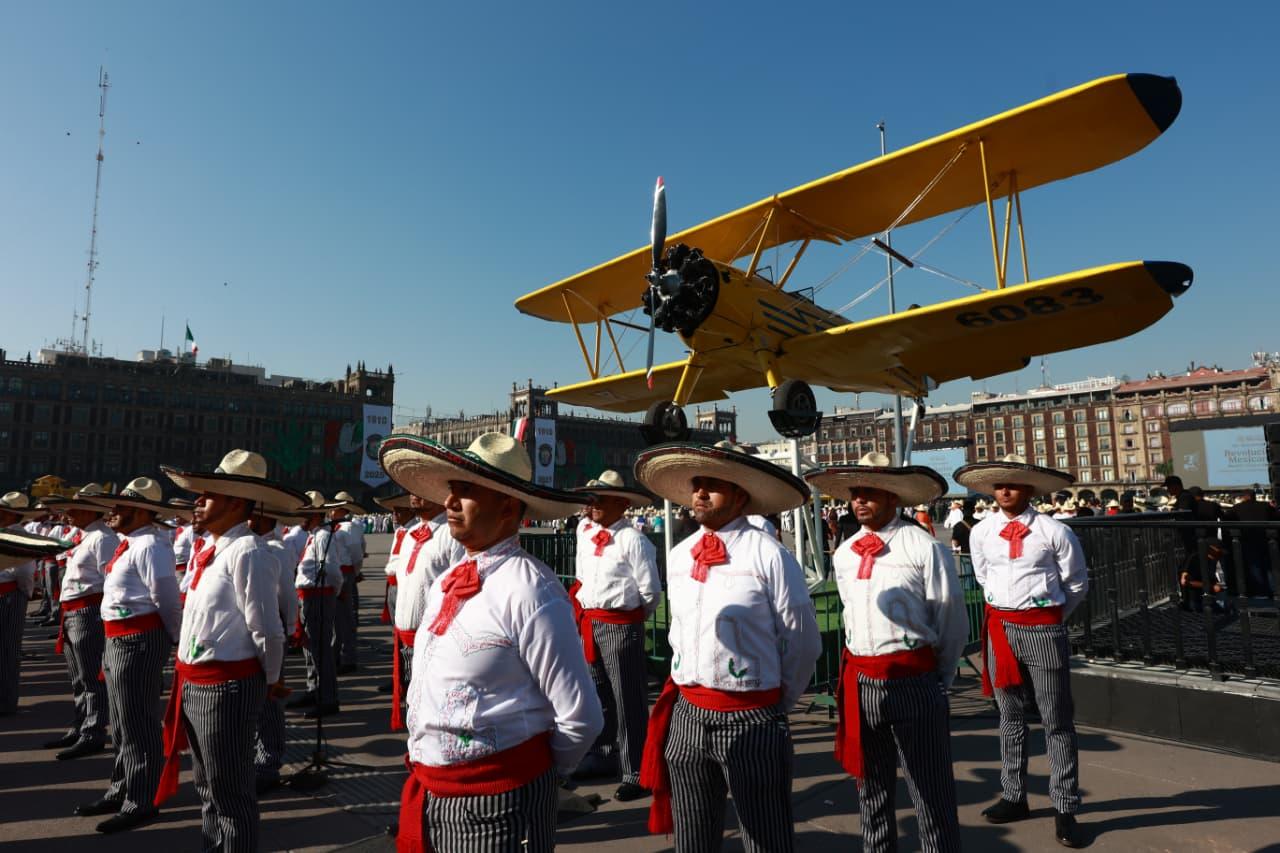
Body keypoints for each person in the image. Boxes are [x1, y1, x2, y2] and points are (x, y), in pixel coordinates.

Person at [380, 432, 603, 852]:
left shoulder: (531, 588)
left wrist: (532, 776)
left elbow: (582, 716)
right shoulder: (447, 581)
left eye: (466, 491)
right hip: (433, 793)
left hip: (499, 802)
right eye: (452, 490)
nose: (450, 502)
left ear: (507, 506)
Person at [634, 440, 821, 852]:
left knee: (765, 834)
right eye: (697, 484)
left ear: (740, 495)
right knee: (692, 837)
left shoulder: (770, 555)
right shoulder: (681, 554)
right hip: (686, 713)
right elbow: (677, 632)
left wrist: (774, 702)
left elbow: (802, 641)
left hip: (752, 716)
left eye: (713, 485)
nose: (700, 493)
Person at [805, 453, 966, 852]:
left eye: (870, 492)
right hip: (861, 679)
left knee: (929, 785)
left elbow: (950, 618)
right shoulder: (844, 553)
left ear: (893, 497)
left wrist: (938, 675)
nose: (859, 501)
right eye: (856, 493)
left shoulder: (923, 547)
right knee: (870, 782)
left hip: (913, 677)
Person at [153, 451, 300, 852]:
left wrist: (270, 679)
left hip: (226, 689)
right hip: (196, 682)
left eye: (209, 495)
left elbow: (267, 629)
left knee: (230, 791)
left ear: (237, 502)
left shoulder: (249, 551)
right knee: (207, 785)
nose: (198, 502)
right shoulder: (213, 548)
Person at [954, 455, 1087, 849]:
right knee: (1008, 715)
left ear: (1029, 490)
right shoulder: (981, 532)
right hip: (1001, 628)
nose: (1005, 490)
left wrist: (1049, 616)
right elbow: (982, 574)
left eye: (1012, 485)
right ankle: (1014, 795)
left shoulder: (1054, 531)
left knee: (1056, 719)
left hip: (1042, 627)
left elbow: (1076, 582)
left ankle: (1065, 805)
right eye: (998, 485)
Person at [76, 478, 182, 834]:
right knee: (121, 724)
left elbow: (167, 599)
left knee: (137, 723)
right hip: (118, 638)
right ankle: (121, 788)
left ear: (140, 511)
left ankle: (141, 800)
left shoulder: (152, 545)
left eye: (120, 508)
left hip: (137, 640)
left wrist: (176, 642)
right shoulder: (131, 542)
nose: (113, 513)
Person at [569, 470, 661, 801]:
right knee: (598, 694)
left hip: (620, 623)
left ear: (621, 504)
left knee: (628, 700)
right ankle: (605, 754)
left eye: (601, 500)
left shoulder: (633, 540)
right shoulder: (584, 530)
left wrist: (629, 618)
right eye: (591, 499)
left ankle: (636, 769)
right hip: (591, 621)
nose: (593, 506)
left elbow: (651, 592)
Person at [41, 485, 118, 759]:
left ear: (91, 509)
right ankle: (80, 724)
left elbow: (110, 581)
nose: (68, 514)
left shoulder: (103, 538)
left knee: (91, 676)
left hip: (88, 611)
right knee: (78, 677)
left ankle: (93, 731)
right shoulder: (85, 535)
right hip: (73, 611)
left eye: (75, 508)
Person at [388, 492, 463, 731]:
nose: (413, 494)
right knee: (413, 702)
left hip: (432, 641)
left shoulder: (451, 535)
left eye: (421, 490)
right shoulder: (409, 535)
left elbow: (458, 593)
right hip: (404, 637)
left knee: (429, 706)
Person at [247, 498, 306, 795]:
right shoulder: (243, 546)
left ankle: (269, 762)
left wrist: (292, 627)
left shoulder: (278, 550)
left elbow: (287, 596)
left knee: (270, 697)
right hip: (245, 630)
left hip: (271, 626)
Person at [288, 492, 347, 717]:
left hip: (319, 595)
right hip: (310, 595)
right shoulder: (314, 535)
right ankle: (314, 689)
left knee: (321, 649)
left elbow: (332, 569)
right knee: (309, 647)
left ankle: (328, 698)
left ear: (315, 514)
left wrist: (333, 593)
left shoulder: (323, 536)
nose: (300, 519)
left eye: (305, 514)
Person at [0, 492, 48, 715]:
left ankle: (6, 702)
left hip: (9, 595)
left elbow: (25, 573)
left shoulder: (20, 535)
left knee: (8, 650)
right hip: (8, 593)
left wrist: (24, 594)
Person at [329, 491, 366, 673]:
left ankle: (347, 658)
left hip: (344, 572)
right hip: (339, 572)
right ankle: (338, 655)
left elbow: (357, 554)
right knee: (337, 618)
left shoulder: (349, 527)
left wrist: (354, 573)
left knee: (345, 619)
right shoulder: (336, 526)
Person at [1225, 490, 1277, 598]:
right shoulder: (1265, 506)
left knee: (1255, 567)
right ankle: (1275, 591)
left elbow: (1227, 518)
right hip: (1266, 539)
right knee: (1269, 566)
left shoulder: (1237, 508)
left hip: (1248, 540)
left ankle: (1261, 592)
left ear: (1244, 497)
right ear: (1254, 497)